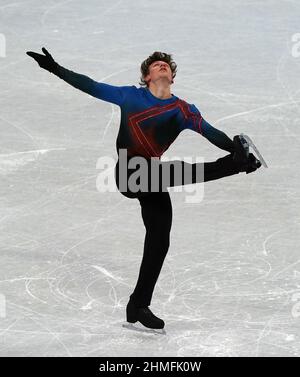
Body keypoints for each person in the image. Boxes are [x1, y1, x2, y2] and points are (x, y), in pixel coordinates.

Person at [26, 48, 261, 330]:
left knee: (160, 240)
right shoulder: (130, 97)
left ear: (172, 76)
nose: (162, 67)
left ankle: (138, 305)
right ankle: (234, 165)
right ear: (146, 77)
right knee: (176, 170)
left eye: (166, 66)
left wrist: (235, 148)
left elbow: (211, 133)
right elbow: (90, 85)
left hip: (153, 180)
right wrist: (55, 68)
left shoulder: (184, 110)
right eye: (156, 66)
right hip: (129, 174)